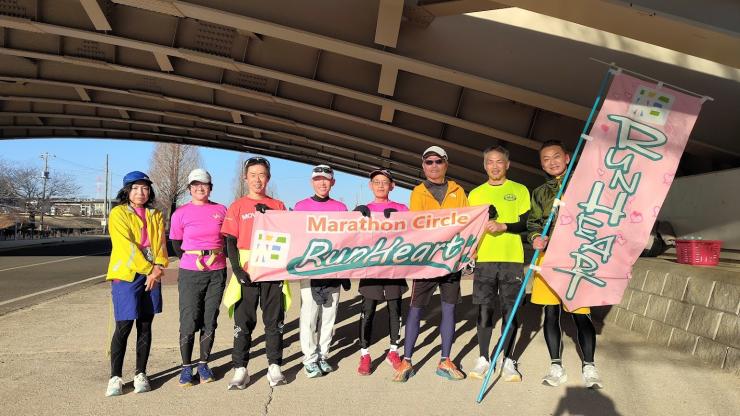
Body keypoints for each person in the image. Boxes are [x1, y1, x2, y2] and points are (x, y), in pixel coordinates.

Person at [527, 140, 603, 389]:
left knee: (581, 313)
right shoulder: (539, 192)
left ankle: (589, 366)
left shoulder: (585, 185)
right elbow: (533, 222)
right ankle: (556, 366)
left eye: (556, 156)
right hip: (548, 258)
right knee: (551, 312)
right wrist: (535, 238)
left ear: (567, 158)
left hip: (578, 257)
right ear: (542, 165)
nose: (552, 162)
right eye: (546, 159)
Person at [393, 146, 469, 382]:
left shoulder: (458, 191)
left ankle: (445, 360)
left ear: (446, 164)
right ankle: (407, 361)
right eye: (429, 162)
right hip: (426, 262)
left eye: (438, 161)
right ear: (423, 166)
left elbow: (467, 222)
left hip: (451, 261)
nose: (433, 166)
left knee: (449, 309)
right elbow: (417, 225)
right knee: (415, 309)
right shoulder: (418, 192)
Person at [221, 157, 288, 390]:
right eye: (253, 175)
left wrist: (269, 217)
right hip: (247, 270)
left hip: (272, 268)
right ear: (245, 178)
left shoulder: (278, 205)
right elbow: (230, 240)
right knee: (244, 321)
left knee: (274, 321)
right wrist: (237, 269)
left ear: (268, 178)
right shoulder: (237, 206)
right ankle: (240, 368)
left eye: (261, 175)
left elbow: (289, 234)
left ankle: (274, 366)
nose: (257, 179)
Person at [467, 146, 531, 381]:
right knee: (485, 310)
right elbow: (469, 227)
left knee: (510, 312)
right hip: (484, 259)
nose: (495, 166)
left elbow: (527, 222)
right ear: (485, 166)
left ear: (507, 164)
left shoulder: (519, 190)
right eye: (490, 162)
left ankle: (508, 360)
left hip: (511, 259)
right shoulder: (475, 194)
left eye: (499, 162)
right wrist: (471, 249)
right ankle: (484, 358)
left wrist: (505, 226)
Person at [105, 171, 169, 396]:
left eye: (145, 188)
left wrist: (158, 267)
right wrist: (150, 269)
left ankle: (141, 373)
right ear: (127, 191)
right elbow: (126, 247)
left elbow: (161, 244)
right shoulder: (118, 213)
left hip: (151, 273)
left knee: (145, 324)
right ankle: (115, 377)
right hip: (127, 274)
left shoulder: (155, 214)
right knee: (123, 326)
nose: (140, 192)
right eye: (135, 188)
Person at [169, 169, 227, 387]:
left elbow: (228, 239)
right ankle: (186, 367)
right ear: (189, 189)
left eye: (204, 184)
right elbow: (176, 244)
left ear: (210, 187)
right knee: (189, 318)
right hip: (190, 272)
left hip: (217, 271)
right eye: (195, 185)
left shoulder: (221, 210)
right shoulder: (180, 213)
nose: (200, 188)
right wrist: (193, 260)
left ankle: (203, 364)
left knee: (209, 318)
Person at [294, 164, 350, 378]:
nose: (322, 183)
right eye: (318, 179)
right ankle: (309, 359)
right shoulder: (300, 207)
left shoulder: (341, 208)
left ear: (332, 182)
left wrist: (346, 272)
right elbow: (293, 235)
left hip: (333, 269)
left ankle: (323, 355)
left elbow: (347, 240)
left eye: (326, 179)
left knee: (329, 316)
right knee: (309, 316)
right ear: (312, 182)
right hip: (309, 270)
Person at [352, 169, 408, 375]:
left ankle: (393, 351)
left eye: (385, 182)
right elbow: (350, 235)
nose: (381, 185)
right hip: (371, 268)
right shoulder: (363, 210)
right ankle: (365, 354)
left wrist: (401, 219)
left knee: (395, 311)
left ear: (392, 186)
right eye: (376, 181)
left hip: (394, 267)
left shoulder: (402, 208)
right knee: (367, 312)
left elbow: (415, 231)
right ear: (370, 185)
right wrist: (354, 215)